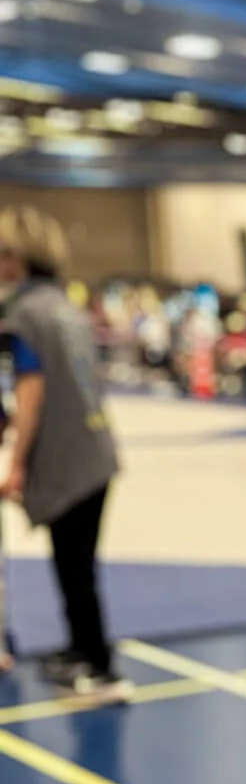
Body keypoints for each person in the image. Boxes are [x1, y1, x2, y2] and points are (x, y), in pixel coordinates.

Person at [0, 205, 126, 703]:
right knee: (78, 565)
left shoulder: (24, 313)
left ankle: (98, 667)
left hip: (68, 458)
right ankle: (81, 648)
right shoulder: (65, 306)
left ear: (16, 258)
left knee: (74, 570)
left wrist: (17, 462)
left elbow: (31, 391)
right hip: (96, 450)